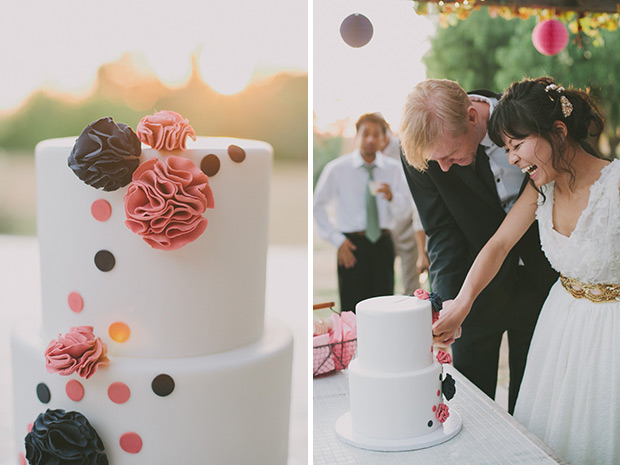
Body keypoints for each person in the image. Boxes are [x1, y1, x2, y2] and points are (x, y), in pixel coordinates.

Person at [433, 76, 620, 465]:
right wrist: (463, 302)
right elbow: (499, 244)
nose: (514, 159)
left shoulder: (615, 186)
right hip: (559, 330)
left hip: (610, 335)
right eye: (507, 149)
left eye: (517, 145)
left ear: (558, 132)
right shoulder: (541, 189)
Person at [399, 79, 557, 414]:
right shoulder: (421, 150)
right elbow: (440, 229)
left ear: (473, 117)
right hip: (474, 288)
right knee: (471, 409)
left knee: (534, 403)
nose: (443, 168)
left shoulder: (531, 118)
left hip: (545, 281)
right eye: (435, 161)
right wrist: (447, 305)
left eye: (451, 155)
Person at [314, 112, 413, 312]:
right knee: (352, 312)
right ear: (356, 136)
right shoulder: (337, 169)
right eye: (365, 133)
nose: (370, 139)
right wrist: (337, 240)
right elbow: (317, 206)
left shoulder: (394, 170)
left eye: (376, 134)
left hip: (383, 245)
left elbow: (407, 210)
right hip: (351, 247)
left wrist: (392, 197)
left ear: (383, 139)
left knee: (384, 310)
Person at [381, 127, 429, 293]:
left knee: (410, 280)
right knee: (384, 279)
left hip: (409, 225)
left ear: (385, 133)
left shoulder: (403, 149)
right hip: (385, 228)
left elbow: (413, 197)